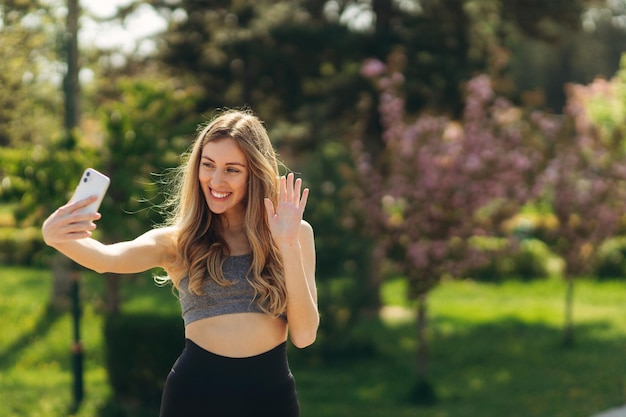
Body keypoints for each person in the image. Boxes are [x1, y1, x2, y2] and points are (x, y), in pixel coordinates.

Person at [41, 109, 318, 417]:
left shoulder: (294, 235)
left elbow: (305, 335)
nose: (216, 180)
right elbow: (108, 259)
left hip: (271, 399)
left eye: (232, 170)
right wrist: (58, 238)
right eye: (208, 165)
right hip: (194, 397)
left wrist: (288, 243)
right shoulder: (178, 242)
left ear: (254, 172)